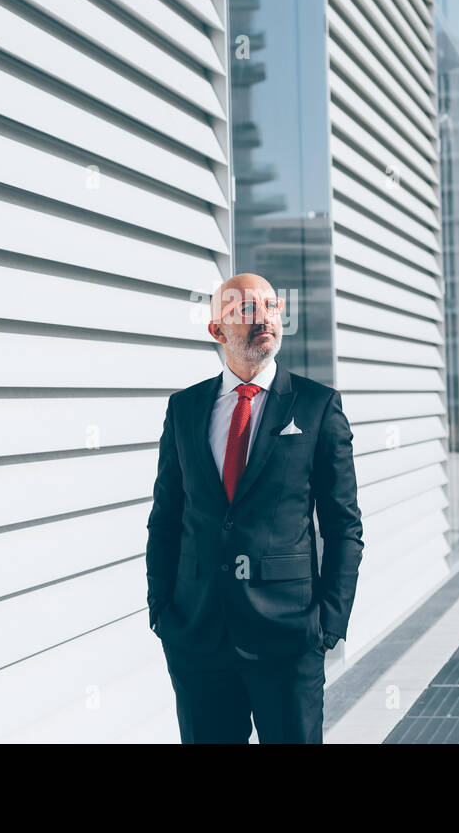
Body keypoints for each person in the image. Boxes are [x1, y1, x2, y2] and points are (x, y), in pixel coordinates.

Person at [145, 272, 364, 743]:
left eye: (270, 306)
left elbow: (344, 525)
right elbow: (165, 519)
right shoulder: (184, 409)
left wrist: (328, 623)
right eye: (245, 309)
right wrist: (161, 610)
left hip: (288, 639)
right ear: (217, 332)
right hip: (198, 638)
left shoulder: (317, 406)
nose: (262, 317)